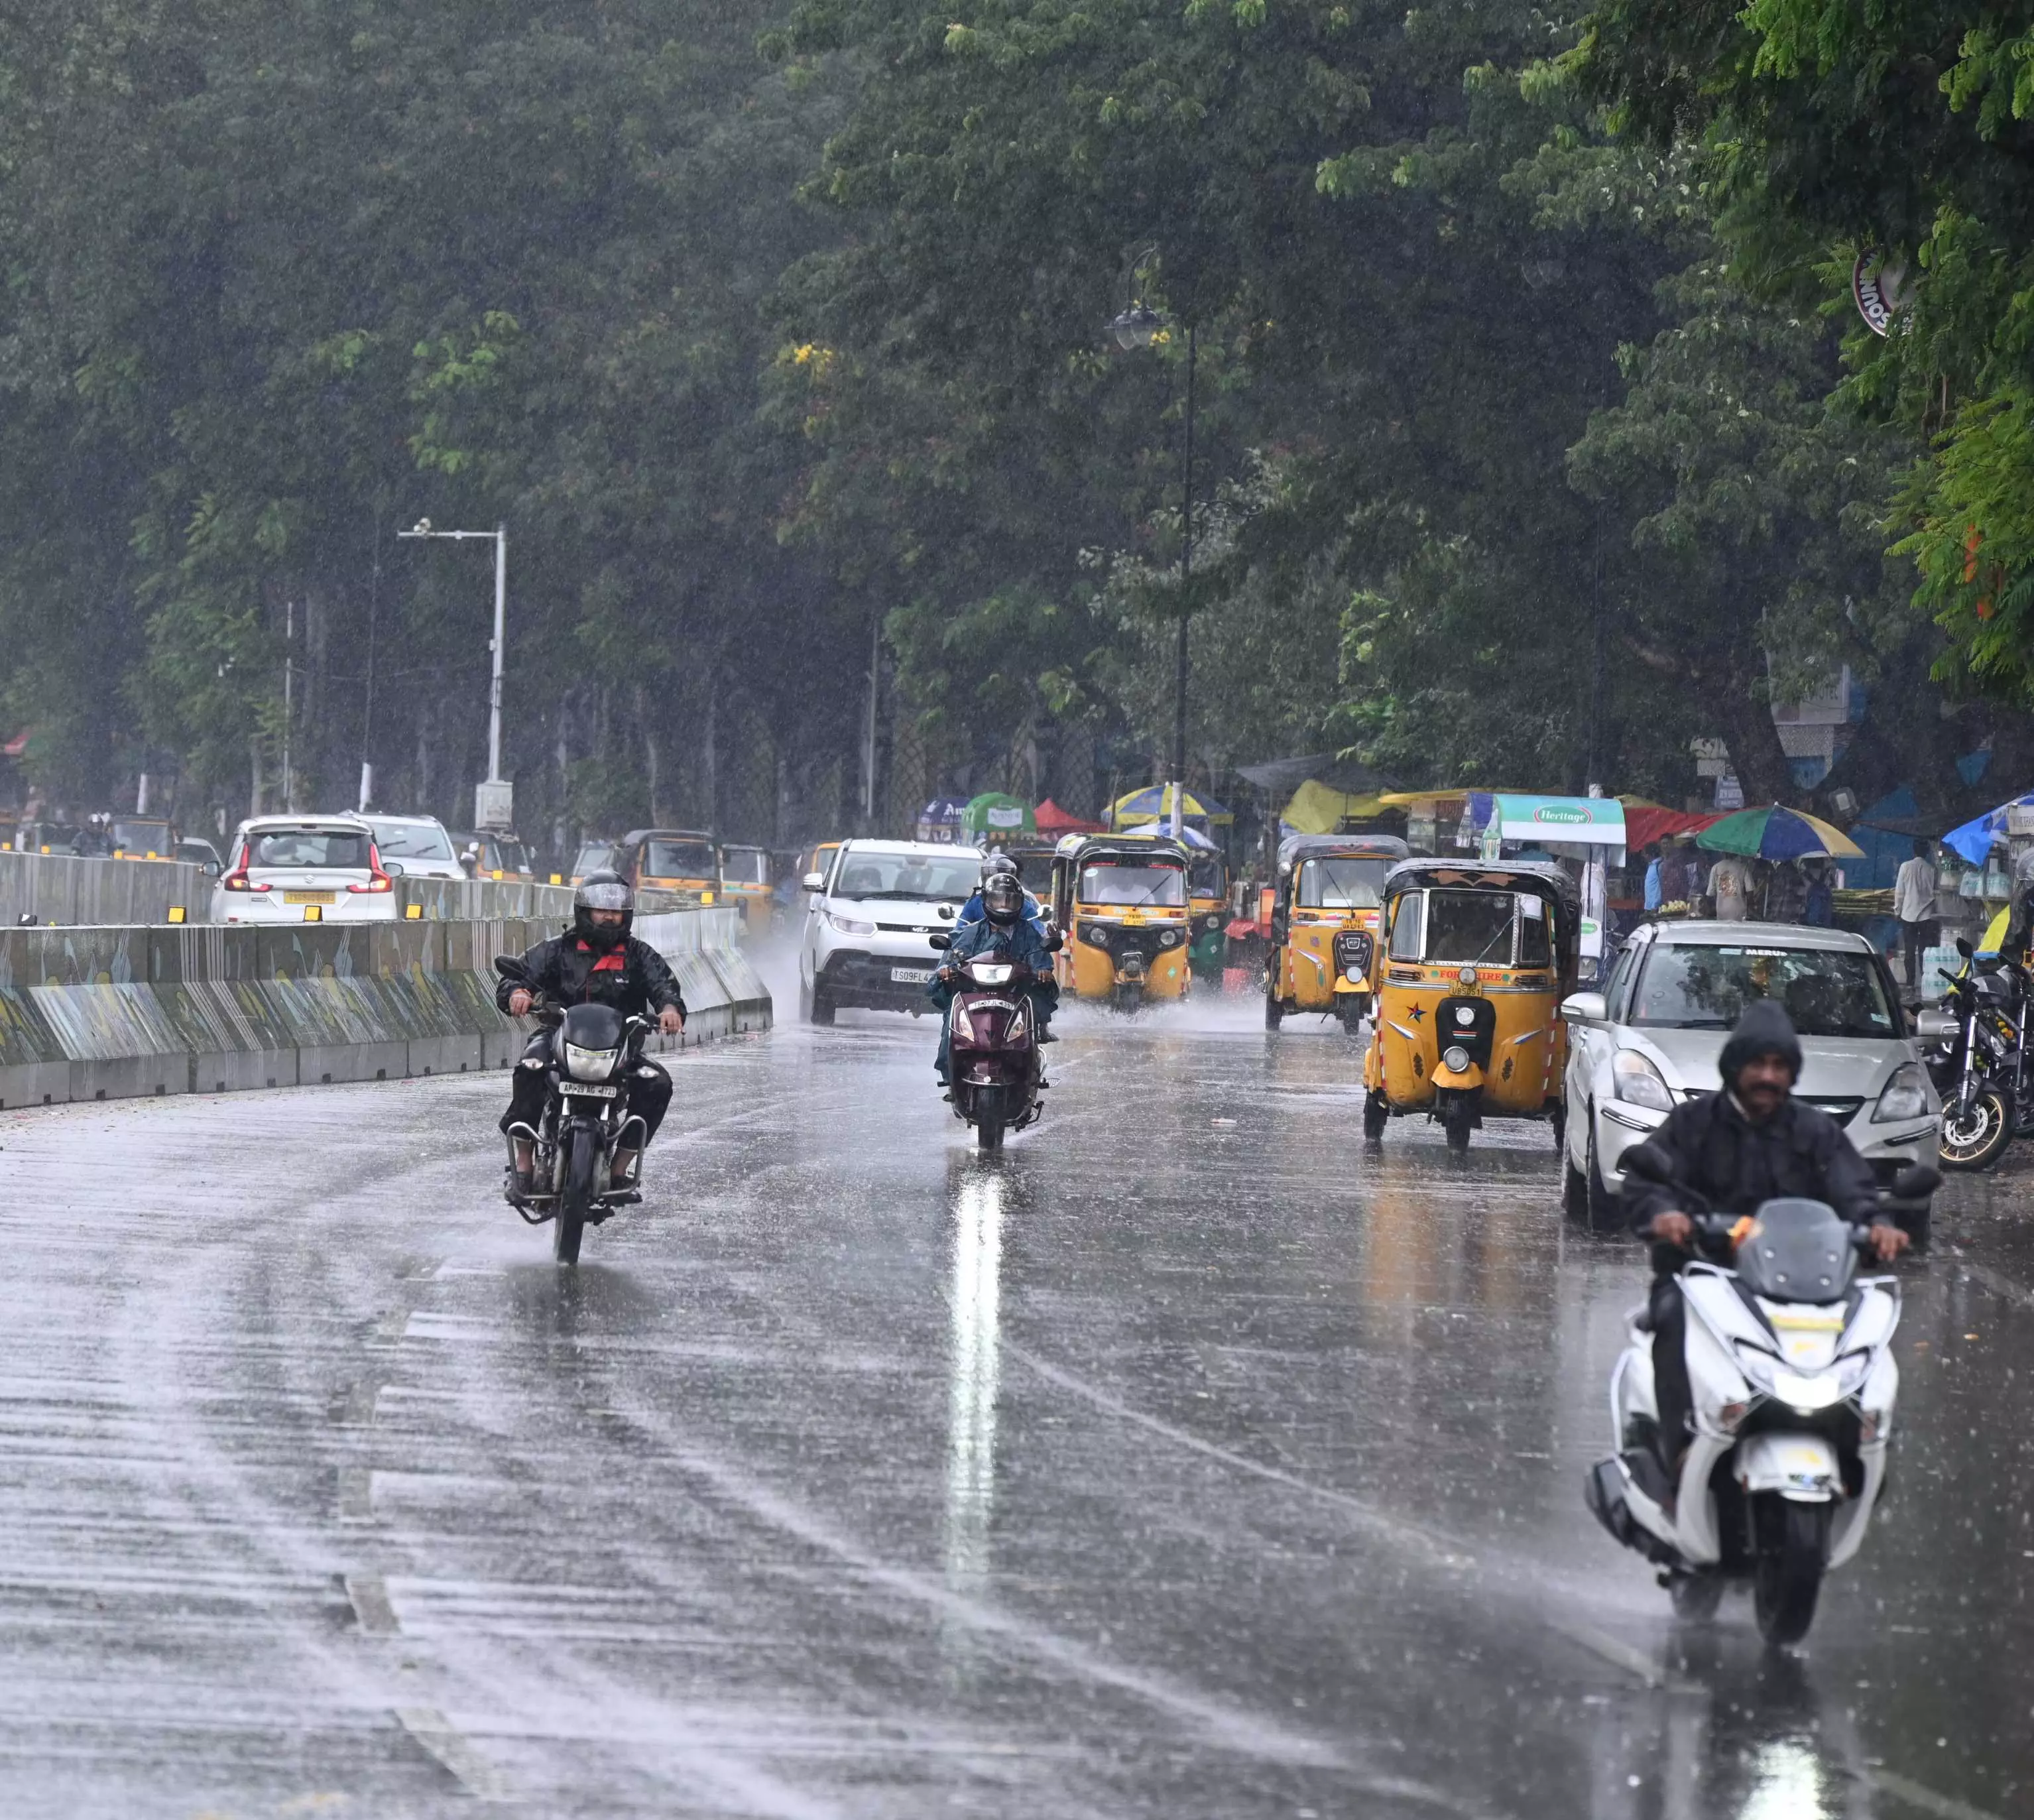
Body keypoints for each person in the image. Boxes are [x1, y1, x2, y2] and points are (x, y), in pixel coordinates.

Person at [1624, 1001, 1907, 1493]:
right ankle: (1681, 1451)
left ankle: (1858, 1448)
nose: (1768, 1076)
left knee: (1864, 1332)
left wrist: (1876, 1224)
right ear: (1735, 1067)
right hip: (1704, 1275)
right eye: (1757, 1064)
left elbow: (1853, 1190)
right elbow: (1650, 1182)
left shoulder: (1814, 1130)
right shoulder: (1694, 1124)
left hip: (1800, 1285)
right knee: (1670, 1317)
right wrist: (1663, 1216)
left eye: (1779, 1066)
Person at [497, 872, 686, 1195]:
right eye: (601, 910)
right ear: (585, 912)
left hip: (620, 1048)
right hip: (558, 1038)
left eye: (616, 911)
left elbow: (664, 987)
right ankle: (524, 1166)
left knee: (658, 1084)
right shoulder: (557, 950)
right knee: (530, 1068)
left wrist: (669, 1009)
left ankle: (620, 1169)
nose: (609, 916)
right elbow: (519, 976)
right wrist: (519, 993)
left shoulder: (639, 955)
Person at [930, 871, 1058, 1081]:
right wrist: (946, 970)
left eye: (1010, 901)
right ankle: (951, 1077)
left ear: (1019, 904)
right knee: (951, 1019)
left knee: (1034, 1010)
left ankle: (1031, 1071)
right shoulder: (971, 932)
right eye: (998, 900)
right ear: (986, 902)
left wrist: (1042, 973)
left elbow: (1041, 959)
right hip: (974, 995)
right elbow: (951, 954)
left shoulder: (1029, 934)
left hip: (1015, 995)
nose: (1004, 907)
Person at [957, 851, 1047, 936]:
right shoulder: (974, 902)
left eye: (1009, 900)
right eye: (996, 899)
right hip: (979, 951)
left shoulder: (1023, 904)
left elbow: (1039, 933)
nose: (1003, 904)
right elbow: (959, 932)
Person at [1893, 839, 1939, 987]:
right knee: (1924, 951)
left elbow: (1900, 892)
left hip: (1908, 914)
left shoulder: (1905, 867)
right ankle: (1925, 980)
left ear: (1914, 851)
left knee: (1909, 950)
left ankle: (1910, 982)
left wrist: (1897, 910)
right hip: (1927, 915)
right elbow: (1935, 892)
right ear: (1927, 853)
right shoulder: (1931, 870)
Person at [1706, 851, 1754, 921]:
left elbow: (1710, 893)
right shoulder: (1743, 867)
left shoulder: (1716, 868)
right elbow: (1750, 891)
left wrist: (1712, 909)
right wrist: (1749, 908)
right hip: (1739, 912)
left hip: (1721, 912)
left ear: (1723, 853)